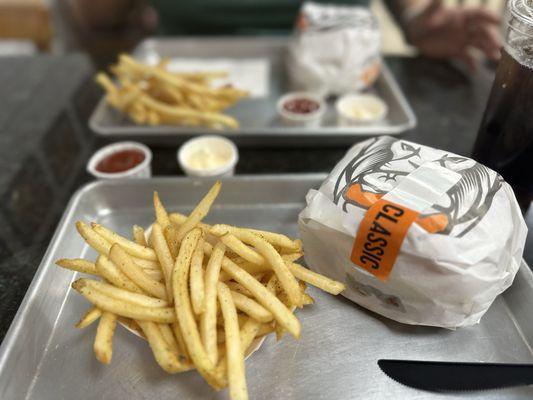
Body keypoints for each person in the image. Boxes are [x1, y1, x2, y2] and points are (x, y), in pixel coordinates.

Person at [68, 0, 502, 69]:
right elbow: (100, 20)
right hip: (180, 79)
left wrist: (422, 18)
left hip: (346, 85)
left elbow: (414, 7)